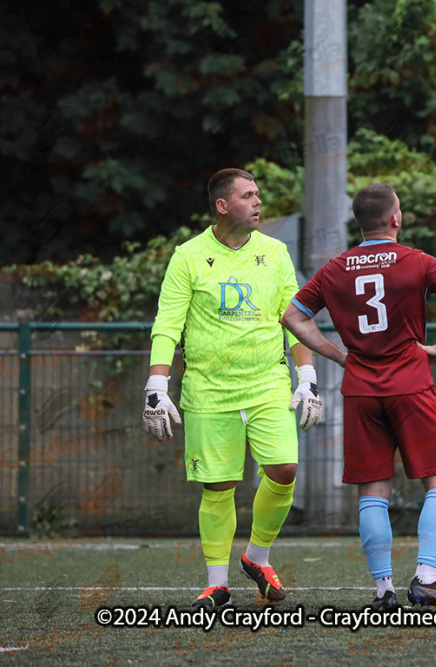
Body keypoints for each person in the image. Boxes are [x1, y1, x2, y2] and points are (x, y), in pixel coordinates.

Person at [280, 183, 436, 610]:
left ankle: (384, 590)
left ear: (360, 222)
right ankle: (425, 578)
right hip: (411, 385)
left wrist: (338, 354)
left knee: (373, 489)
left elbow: (293, 317)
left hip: (359, 389)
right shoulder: (416, 261)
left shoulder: (335, 269)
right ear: (395, 218)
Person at [143, 168, 324, 609]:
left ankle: (256, 557)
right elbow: (168, 324)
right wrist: (156, 384)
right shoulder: (187, 256)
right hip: (208, 391)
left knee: (284, 469)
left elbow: (296, 319)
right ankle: (216, 583)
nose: (258, 202)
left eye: (258, 194)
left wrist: (308, 379)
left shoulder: (276, 252)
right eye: (248, 196)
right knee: (218, 485)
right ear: (223, 206)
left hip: (266, 384)